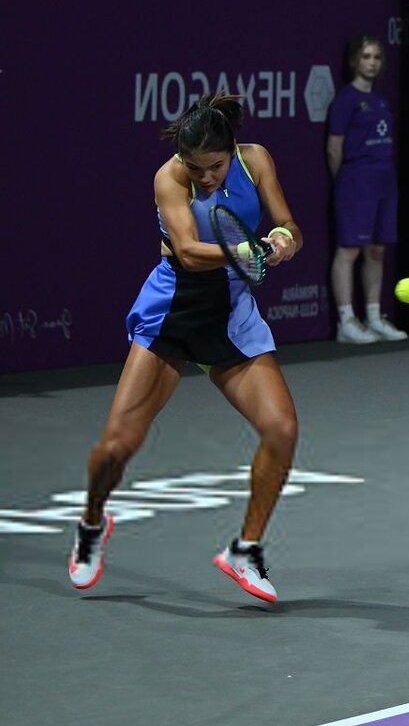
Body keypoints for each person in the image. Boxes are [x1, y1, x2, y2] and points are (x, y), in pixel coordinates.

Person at [71, 94, 302, 603]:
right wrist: (243, 251)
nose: (205, 177)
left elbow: (290, 226)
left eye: (215, 167)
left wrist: (283, 239)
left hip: (231, 313)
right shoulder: (168, 178)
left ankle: (245, 549)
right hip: (174, 311)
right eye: (195, 168)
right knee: (116, 447)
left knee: (282, 429)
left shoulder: (256, 160)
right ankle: (91, 524)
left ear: (231, 150)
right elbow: (190, 253)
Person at [328, 35, 408, 344]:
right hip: (355, 180)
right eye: (366, 56)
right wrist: (346, 181)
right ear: (354, 61)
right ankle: (346, 321)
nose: (372, 63)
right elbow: (334, 148)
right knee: (349, 250)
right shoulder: (345, 100)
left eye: (376, 57)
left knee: (377, 250)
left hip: (384, 179)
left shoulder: (381, 100)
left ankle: (373, 317)